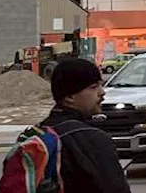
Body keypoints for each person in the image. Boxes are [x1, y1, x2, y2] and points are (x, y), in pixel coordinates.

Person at [39, 58, 132, 193]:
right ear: (70, 97)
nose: (102, 92)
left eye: (101, 85)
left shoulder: (37, 133)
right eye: (93, 87)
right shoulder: (92, 138)